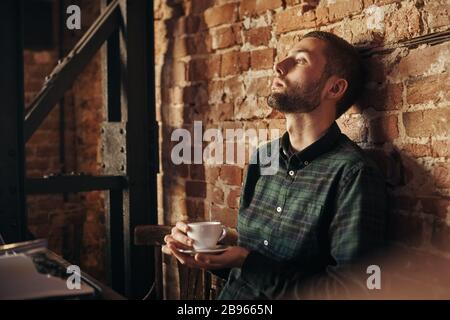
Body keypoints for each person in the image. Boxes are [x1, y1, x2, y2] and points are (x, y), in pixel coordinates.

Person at [163, 31, 388, 299]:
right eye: (286, 58)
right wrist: (209, 252)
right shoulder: (262, 159)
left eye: (301, 61)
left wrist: (246, 262)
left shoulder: (353, 175)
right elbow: (248, 267)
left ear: (335, 88)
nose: (279, 66)